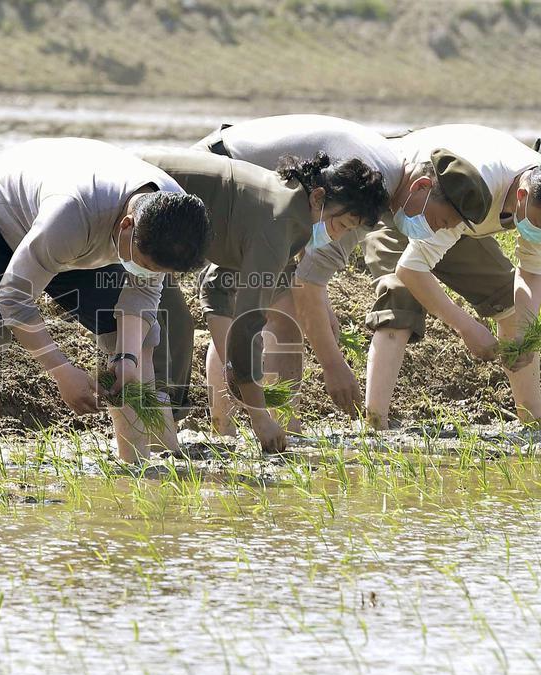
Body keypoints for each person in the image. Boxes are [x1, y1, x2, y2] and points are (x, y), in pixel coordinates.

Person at [194, 114, 480, 419]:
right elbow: (307, 285)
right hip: (224, 178)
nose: (434, 231)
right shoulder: (370, 189)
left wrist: (319, 298)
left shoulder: (387, 170)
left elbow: (308, 252)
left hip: (242, 181)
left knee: (254, 305)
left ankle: (239, 429)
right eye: (439, 221)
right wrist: (334, 368)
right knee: (276, 312)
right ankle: (264, 431)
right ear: (422, 187)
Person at [0, 138, 210, 463]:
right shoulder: (73, 213)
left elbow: (142, 292)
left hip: (74, 245)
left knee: (136, 343)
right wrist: (61, 371)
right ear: (127, 226)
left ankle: (143, 467)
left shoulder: (171, 213)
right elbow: (14, 296)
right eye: (144, 264)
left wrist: (126, 357)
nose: (145, 273)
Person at [140, 147, 387, 452]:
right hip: (133, 205)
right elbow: (248, 321)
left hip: (155, 220)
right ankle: (147, 447)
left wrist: (234, 364)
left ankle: (158, 441)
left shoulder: (292, 200)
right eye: (340, 224)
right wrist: (260, 418)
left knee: (174, 327)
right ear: (319, 198)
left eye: (348, 230)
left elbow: (219, 288)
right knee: (170, 325)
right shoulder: (280, 221)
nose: (337, 237)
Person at [360, 124, 541, 429]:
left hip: (460, 221)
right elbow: (411, 269)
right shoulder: (475, 187)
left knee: (507, 300)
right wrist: (466, 327)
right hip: (411, 203)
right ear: (522, 195)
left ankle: (535, 424)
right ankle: (374, 426)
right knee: (400, 298)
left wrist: (525, 336)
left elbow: (531, 275)